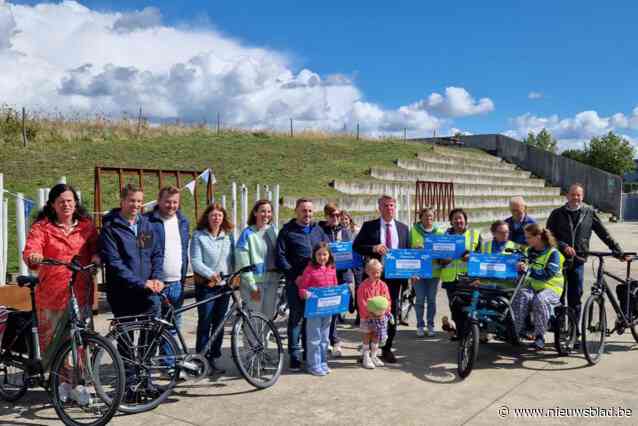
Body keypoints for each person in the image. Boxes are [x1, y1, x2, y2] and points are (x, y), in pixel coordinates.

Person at [23, 183, 99, 353]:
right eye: (61, 201)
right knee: (53, 344)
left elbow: (96, 247)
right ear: (52, 204)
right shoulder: (42, 228)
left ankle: (83, 377)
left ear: (76, 203)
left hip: (80, 293)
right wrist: (34, 256)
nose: (66, 205)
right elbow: (31, 249)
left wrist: (96, 256)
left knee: (82, 340)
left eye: (69, 201)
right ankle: (56, 378)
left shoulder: (86, 226)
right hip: (52, 295)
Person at [546, 183, 626, 325]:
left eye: (578, 195)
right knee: (558, 295)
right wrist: (563, 246)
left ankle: (574, 331)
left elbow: (603, 233)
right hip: (559, 260)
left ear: (582, 197)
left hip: (578, 260)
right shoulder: (557, 213)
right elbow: (548, 235)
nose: (575, 197)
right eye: (573, 194)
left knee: (575, 297)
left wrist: (618, 251)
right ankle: (559, 330)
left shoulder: (589, 212)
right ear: (567, 195)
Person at [353, 195, 409, 363]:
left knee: (390, 313)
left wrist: (413, 271)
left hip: (394, 279)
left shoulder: (404, 228)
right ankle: (368, 351)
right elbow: (356, 246)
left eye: (392, 205)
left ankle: (386, 348)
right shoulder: (369, 226)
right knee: (369, 313)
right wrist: (373, 248)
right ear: (379, 208)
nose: (389, 208)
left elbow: (407, 253)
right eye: (385, 205)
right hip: (373, 278)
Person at [276, 198, 329, 371]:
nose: (307, 214)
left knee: (311, 319)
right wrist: (294, 276)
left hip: (316, 285)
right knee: (296, 320)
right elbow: (281, 257)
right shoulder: (287, 231)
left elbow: (327, 253)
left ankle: (309, 354)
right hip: (296, 282)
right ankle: (294, 355)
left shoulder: (318, 230)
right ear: (296, 212)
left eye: (310, 211)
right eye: (303, 210)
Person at [100, 184, 164, 320]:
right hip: (122, 294)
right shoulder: (110, 228)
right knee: (125, 340)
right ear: (122, 201)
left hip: (147, 293)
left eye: (139, 201)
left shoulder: (145, 225)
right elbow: (114, 262)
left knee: (149, 339)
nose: (136, 205)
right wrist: (141, 282)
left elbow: (154, 254)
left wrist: (157, 277)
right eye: (132, 200)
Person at [190, 203, 235, 375]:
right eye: (213, 215)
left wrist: (232, 276)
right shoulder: (198, 236)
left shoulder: (227, 237)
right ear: (207, 217)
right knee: (205, 322)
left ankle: (213, 357)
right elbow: (195, 261)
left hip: (224, 287)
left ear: (223, 218)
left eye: (219, 215)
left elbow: (231, 259)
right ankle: (200, 358)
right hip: (206, 286)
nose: (216, 218)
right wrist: (210, 274)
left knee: (219, 323)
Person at [146, 186, 190, 338]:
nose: (172, 206)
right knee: (152, 329)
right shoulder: (147, 221)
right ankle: (149, 361)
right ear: (159, 201)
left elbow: (183, 251)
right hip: (156, 284)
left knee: (172, 329)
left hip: (177, 283)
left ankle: (168, 362)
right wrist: (151, 278)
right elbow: (143, 252)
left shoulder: (183, 221)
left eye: (175, 202)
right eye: (168, 202)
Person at [511, 224, 564, 350]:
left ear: (539, 237)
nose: (526, 240)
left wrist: (528, 269)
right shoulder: (528, 251)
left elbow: (547, 274)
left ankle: (540, 336)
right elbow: (522, 265)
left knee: (540, 299)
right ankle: (516, 330)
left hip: (552, 288)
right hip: (532, 286)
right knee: (521, 294)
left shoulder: (554, 253)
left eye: (529, 237)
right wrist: (519, 266)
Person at [439, 208, 482, 340]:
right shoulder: (443, 237)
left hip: (469, 278)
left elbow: (481, 257)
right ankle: (461, 333)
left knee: (469, 307)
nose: (458, 221)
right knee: (455, 308)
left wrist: (471, 256)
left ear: (465, 220)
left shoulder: (475, 235)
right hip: (450, 279)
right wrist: (444, 259)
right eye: (455, 219)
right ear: (451, 222)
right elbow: (438, 259)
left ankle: (470, 333)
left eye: (460, 218)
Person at [296, 242, 338, 376]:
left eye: (324, 254)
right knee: (314, 338)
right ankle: (313, 364)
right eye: (319, 254)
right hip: (314, 310)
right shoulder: (309, 269)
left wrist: (339, 296)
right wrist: (306, 294)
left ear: (329, 255)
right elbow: (302, 288)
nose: (322, 257)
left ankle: (323, 362)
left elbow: (335, 287)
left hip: (327, 309)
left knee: (325, 338)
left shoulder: (332, 269)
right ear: (314, 255)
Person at [318, 202, 354, 357]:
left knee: (337, 309)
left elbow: (351, 252)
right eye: (332, 215)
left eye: (338, 215)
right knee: (327, 309)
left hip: (342, 275)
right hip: (325, 275)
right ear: (326, 216)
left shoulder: (345, 231)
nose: (336, 218)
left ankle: (334, 339)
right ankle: (328, 340)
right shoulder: (320, 231)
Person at [236, 199, 280, 320]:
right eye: (263, 211)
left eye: (269, 211)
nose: (266, 214)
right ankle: (251, 340)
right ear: (255, 213)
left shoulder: (274, 231)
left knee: (268, 317)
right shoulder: (247, 233)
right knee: (254, 318)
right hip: (255, 283)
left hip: (272, 281)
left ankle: (264, 339)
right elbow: (242, 262)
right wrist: (252, 286)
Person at [409, 207, 444, 337]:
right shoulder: (413, 231)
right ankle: (419, 325)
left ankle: (430, 325)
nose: (428, 218)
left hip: (434, 273)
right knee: (419, 300)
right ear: (421, 217)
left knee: (431, 300)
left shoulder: (439, 232)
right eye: (426, 216)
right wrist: (416, 249)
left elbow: (443, 251)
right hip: (418, 272)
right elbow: (408, 251)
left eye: (431, 216)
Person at [357, 259, 391, 369]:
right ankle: (366, 356)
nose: (376, 275)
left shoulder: (383, 285)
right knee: (367, 335)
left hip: (380, 317)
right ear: (367, 272)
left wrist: (385, 312)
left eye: (378, 272)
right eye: (373, 272)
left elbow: (387, 300)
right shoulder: (363, 286)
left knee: (376, 336)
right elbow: (361, 302)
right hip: (367, 317)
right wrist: (369, 314)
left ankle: (374, 355)